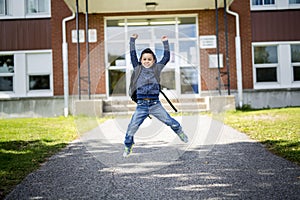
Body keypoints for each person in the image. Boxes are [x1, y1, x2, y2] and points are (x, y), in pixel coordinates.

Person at [123, 33, 188, 157]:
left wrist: (165, 43)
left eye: (149, 59)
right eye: (144, 59)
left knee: (170, 121)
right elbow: (132, 54)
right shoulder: (137, 68)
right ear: (141, 60)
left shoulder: (157, 69)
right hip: (141, 105)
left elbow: (166, 57)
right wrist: (132, 40)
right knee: (132, 127)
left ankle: (180, 132)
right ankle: (128, 146)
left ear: (153, 61)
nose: (147, 61)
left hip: (155, 104)